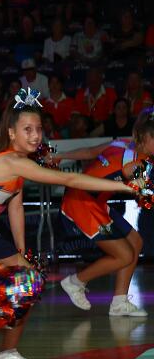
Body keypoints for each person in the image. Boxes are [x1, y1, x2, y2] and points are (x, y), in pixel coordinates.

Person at [0, 89, 143, 359]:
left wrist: (21, 252)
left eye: (38, 129)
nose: (36, 135)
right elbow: (70, 179)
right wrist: (125, 186)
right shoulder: (10, 162)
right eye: (27, 129)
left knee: (30, 281)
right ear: (11, 132)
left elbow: (15, 206)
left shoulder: (18, 162)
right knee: (4, 288)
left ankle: (9, 354)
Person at [57, 119, 154, 317]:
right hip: (81, 204)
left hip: (96, 202)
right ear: (144, 138)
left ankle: (119, 302)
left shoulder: (120, 143)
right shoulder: (137, 164)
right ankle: (75, 282)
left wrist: (59, 155)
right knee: (124, 255)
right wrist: (144, 189)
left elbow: (89, 152)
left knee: (135, 242)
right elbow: (142, 189)